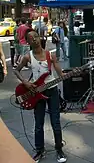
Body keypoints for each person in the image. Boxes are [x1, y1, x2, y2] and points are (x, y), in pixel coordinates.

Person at [14, 29, 67, 163]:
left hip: (52, 90)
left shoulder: (50, 55)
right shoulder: (27, 56)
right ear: (28, 42)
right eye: (32, 38)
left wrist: (66, 75)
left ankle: (59, 149)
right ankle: (39, 150)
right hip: (37, 92)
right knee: (39, 123)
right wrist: (25, 82)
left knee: (56, 122)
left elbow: (60, 72)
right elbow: (16, 70)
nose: (35, 39)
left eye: (36, 36)